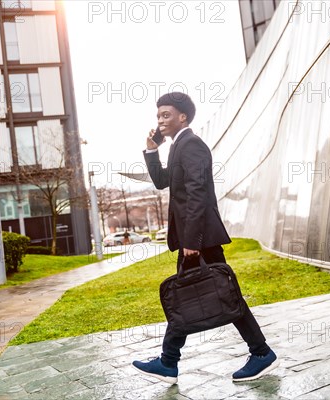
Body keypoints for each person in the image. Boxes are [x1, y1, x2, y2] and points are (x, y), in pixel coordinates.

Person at [132, 92, 278, 384]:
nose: (160, 121)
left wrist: (192, 241)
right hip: (195, 236)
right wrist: (151, 150)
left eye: (166, 115)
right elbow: (163, 182)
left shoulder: (192, 145)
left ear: (183, 117)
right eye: (158, 116)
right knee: (197, 292)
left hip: (199, 237)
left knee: (215, 292)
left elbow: (199, 193)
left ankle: (259, 353)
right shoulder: (177, 147)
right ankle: (170, 361)